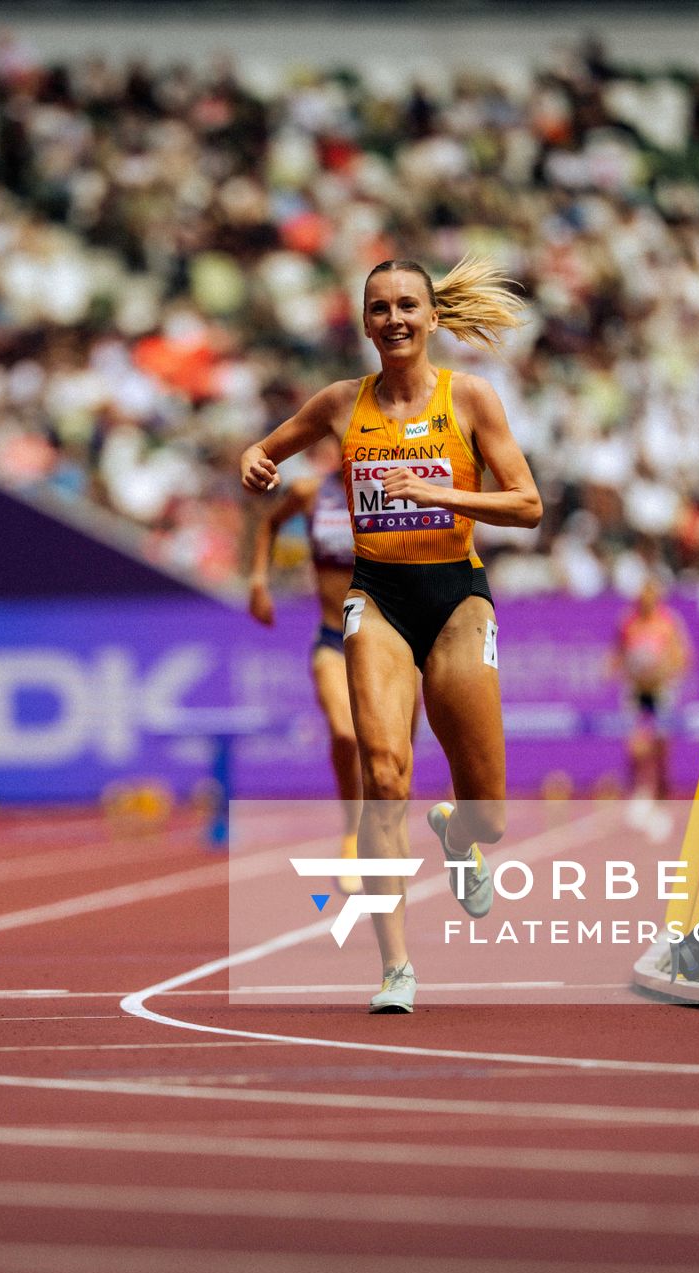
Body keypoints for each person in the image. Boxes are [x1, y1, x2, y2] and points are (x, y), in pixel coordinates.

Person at [239, 256, 540, 1013]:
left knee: (491, 815)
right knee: (384, 772)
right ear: (366, 323)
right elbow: (265, 451)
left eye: (408, 305)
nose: (395, 318)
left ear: (433, 317)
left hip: (457, 598)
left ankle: (458, 835)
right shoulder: (341, 403)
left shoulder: (470, 398)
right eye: (380, 308)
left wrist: (440, 491)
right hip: (376, 597)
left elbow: (528, 504)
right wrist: (255, 462)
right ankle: (396, 967)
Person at [247, 436, 364, 894]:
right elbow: (270, 523)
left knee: (393, 757)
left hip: (387, 643)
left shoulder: (396, 492)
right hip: (333, 639)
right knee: (344, 734)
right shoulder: (311, 492)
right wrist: (259, 582)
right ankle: (352, 835)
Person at [612, 578, 691, 832]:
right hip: (636, 690)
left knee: (661, 745)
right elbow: (618, 653)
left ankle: (662, 795)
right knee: (634, 744)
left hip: (660, 690)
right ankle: (638, 792)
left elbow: (682, 655)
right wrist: (621, 670)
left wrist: (666, 673)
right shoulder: (628, 622)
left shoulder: (668, 622)